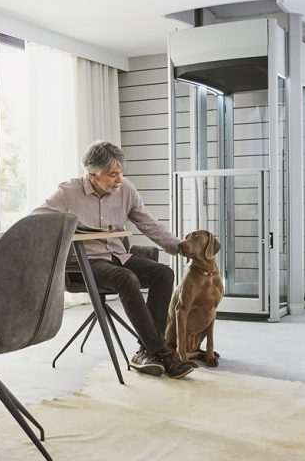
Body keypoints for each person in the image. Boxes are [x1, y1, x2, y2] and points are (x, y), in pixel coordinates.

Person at [32, 140, 196, 379]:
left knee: (164, 274)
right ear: (92, 174)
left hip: (118, 256)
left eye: (120, 173)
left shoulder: (125, 189)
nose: (119, 179)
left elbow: (148, 223)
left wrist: (178, 245)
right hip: (84, 263)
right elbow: (37, 220)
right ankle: (162, 352)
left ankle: (145, 352)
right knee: (126, 279)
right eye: (112, 175)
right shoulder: (68, 193)